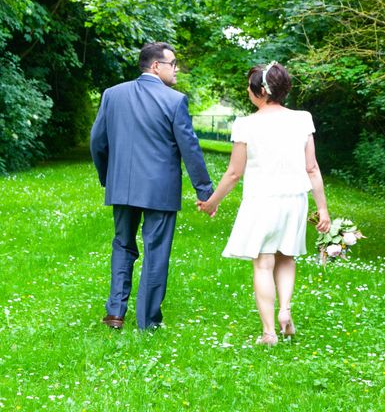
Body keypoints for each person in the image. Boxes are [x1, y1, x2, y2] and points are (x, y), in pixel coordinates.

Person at [197, 61, 331, 346]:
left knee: (263, 263)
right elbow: (312, 168)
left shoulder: (246, 124)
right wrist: (323, 209)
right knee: (287, 257)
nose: (247, 91)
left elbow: (234, 173)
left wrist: (212, 203)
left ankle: (269, 331)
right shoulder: (302, 118)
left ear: (260, 90)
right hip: (295, 201)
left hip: (261, 201)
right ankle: (285, 310)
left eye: (249, 86)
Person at [90, 42, 214, 331]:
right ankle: (147, 321)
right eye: (173, 64)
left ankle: (115, 313)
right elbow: (190, 149)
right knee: (156, 251)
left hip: (122, 186)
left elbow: (97, 141)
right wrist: (204, 190)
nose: (176, 69)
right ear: (156, 66)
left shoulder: (112, 95)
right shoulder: (174, 101)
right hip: (160, 190)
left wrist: (107, 176)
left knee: (122, 245)